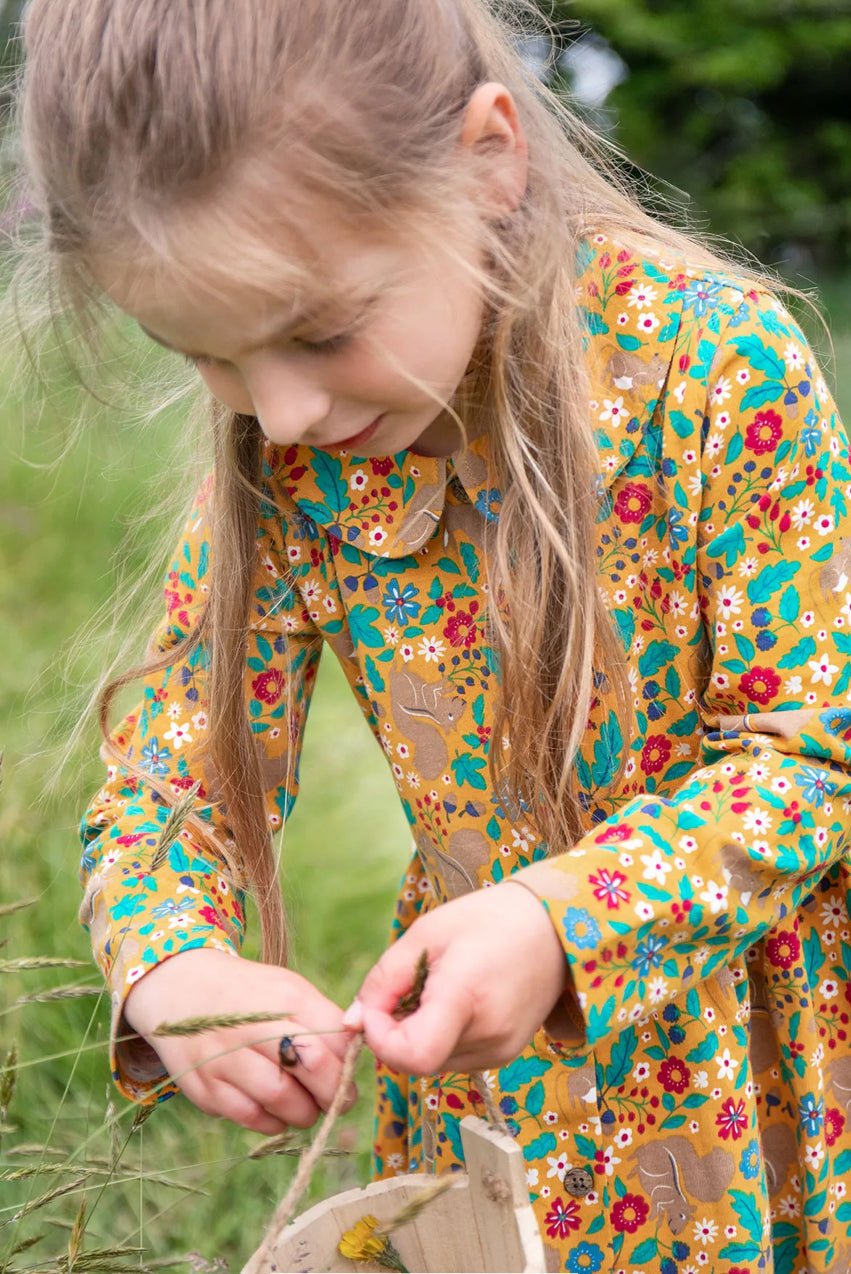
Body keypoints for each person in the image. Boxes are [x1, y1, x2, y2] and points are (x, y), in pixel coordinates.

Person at [17, 0, 851, 1269]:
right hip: (483, 1113)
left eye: (319, 330)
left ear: (487, 160)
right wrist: (174, 967)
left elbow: (812, 753)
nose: (281, 412)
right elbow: (166, 781)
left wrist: (563, 920)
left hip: (756, 1083)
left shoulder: (712, 366)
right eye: (205, 357)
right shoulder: (284, 463)